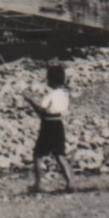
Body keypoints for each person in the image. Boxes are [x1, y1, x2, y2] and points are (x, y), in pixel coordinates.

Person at [24, 64, 72, 193]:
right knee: (60, 155)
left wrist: (29, 100)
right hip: (59, 125)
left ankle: (38, 184)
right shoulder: (64, 95)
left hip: (48, 126)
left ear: (51, 80)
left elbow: (41, 111)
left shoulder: (50, 96)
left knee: (37, 154)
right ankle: (70, 183)